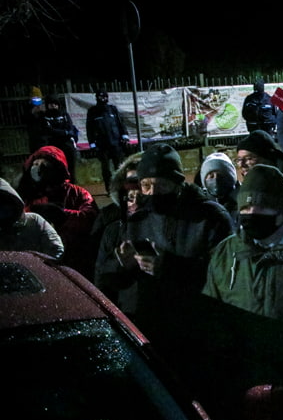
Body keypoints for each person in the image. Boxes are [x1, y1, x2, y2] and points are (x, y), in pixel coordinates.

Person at [93, 143, 233, 343]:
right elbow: (106, 281)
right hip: (146, 327)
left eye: (161, 185)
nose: (152, 192)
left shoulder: (210, 217)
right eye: (146, 185)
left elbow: (225, 275)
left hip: (195, 329)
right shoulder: (135, 221)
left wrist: (170, 267)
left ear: (177, 183)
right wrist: (121, 265)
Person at [202, 163, 283, 323]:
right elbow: (211, 310)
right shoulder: (226, 251)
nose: (251, 214)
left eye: (261, 207)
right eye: (246, 207)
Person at [16, 145, 99, 279]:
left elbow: (90, 217)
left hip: (74, 259)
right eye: (35, 163)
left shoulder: (76, 193)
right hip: (37, 261)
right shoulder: (26, 195)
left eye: (44, 164)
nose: (37, 168)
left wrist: (63, 215)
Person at [0, 177, 64, 259]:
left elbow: (56, 248)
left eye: (4, 202)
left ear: (14, 202)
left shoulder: (34, 221)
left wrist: (40, 266)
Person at [30, 94, 79, 183]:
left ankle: (73, 186)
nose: (53, 106)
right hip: (53, 147)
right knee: (56, 169)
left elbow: (70, 128)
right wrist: (63, 133)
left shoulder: (64, 114)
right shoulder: (44, 117)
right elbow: (48, 130)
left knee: (71, 169)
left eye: (55, 104)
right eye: (51, 104)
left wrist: (65, 133)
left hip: (67, 145)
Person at [86, 89, 130, 189]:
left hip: (116, 142)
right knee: (106, 168)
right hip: (102, 144)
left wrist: (125, 137)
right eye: (101, 97)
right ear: (97, 98)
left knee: (119, 166)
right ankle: (109, 188)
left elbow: (121, 124)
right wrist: (92, 144)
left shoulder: (112, 109)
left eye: (105, 97)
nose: (103, 99)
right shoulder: (92, 111)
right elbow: (90, 129)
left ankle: (121, 186)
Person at [198, 151, 240, 225]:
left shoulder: (242, 202)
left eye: (221, 175)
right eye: (211, 176)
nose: (216, 179)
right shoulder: (200, 205)